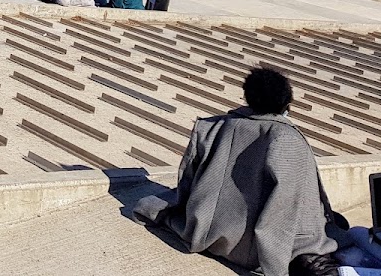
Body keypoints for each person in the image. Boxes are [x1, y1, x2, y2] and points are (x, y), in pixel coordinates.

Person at [134, 68, 349, 276]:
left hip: (203, 231)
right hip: (251, 250)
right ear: (286, 103)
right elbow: (283, 210)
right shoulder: (287, 140)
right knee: (337, 231)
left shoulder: (211, 126)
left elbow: (187, 184)